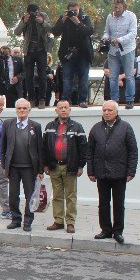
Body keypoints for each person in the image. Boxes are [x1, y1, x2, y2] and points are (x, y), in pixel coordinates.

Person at [87, 101, 137, 244]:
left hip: (119, 172)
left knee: (119, 204)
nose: (106, 113)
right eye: (104, 110)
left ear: (116, 112)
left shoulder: (126, 128)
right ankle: (106, 229)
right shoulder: (96, 128)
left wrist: (131, 171)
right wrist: (91, 171)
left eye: (109, 110)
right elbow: (90, 151)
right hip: (101, 172)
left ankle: (118, 231)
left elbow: (133, 151)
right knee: (103, 203)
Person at [42, 100, 87, 233]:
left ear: (69, 110)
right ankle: (58, 221)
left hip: (70, 167)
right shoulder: (49, 126)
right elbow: (44, 147)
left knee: (71, 196)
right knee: (57, 196)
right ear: (56, 110)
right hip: (54, 166)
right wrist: (45, 164)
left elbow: (83, 148)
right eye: (60, 108)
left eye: (66, 108)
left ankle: (71, 222)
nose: (63, 110)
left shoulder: (77, 127)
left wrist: (80, 166)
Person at [1, 98, 43, 232]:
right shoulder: (8, 124)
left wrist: (40, 169)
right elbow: (3, 146)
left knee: (29, 196)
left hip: (29, 168)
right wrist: (4, 166)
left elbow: (39, 149)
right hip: (13, 167)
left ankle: (28, 221)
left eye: (24, 108)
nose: (22, 111)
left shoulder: (35, 126)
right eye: (19, 108)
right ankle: (16, 219)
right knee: (13, 196)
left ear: (29, 110)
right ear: (16, 110)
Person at [52, 1, 94, 108]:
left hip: (83, 53)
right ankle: (66, 100)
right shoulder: (64, 18)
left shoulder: (85, 18)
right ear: (68, 9)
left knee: (83, 78)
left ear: (79, 9)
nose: (74, 13)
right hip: (68, 54)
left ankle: (82, 100)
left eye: (76, 10)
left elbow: (89, 31)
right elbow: (55, 32)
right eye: (72, 11)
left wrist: (77, 22)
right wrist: (62, 20)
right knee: (67, 78)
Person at [102, 0, 138, 109]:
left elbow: (133, 33)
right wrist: (105, 38)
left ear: (124, 6)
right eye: (114, 7)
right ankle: (114, 101)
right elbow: (106, 32)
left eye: (118, 7)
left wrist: (120, 40)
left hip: (127, 49)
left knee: (129, 75)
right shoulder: (110, 17)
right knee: (113, 77)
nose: (115, 9)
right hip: (113, 51)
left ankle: (130, 100)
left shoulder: (131, 16)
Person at [14, 4, 52, 109]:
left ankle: (42, 100)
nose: (33, 14)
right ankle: (31, 99)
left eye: (35, 12)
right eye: (31, 12)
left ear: (38, 11)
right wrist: (24, 22)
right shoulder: (25, 18)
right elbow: (16, 32)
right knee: (29, 76)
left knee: (42, 76)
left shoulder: (43, 16)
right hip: (29, 51)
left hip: (41, 50)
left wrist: (42, 22)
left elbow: (51, 29)